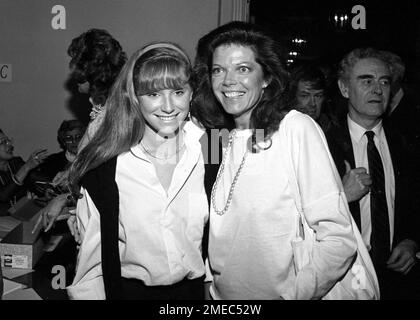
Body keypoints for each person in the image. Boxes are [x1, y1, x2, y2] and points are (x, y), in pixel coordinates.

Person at [191, 21, 361, 300]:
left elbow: (338, 240)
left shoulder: (295, 128)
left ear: (267, 77)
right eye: (218, 70)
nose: (228, 81)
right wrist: (210, 283)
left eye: (243, 69)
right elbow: (212, 219)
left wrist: (295, 295)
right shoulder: (217, 138)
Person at [65, 42, 209, 300]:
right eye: (153, 94)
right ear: (134, 98)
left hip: (195, 294)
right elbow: (90, 269)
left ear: (191, 93)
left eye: (177, 91)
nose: (168, 106)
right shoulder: (105, 172)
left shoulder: (208, 153)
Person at [325, 47, 420, 299]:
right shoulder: (322, 145)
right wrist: (342, 197)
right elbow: (296, 214)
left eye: (384, 82)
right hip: (342, 279)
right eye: (366, 80)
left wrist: (411, 241)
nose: (377, 89)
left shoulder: (407, 144)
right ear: (344, 89)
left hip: (398, 279)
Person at [38, 29, 127, 232]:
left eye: (78, 65)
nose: (74, 72)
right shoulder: (102, 110)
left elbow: (108, 180)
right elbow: (94, 157)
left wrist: (65, 197)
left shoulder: (115, 117)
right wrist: (71, 171)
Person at [0, 129, 48, 212]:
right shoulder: (23, 167)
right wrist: (26, 167)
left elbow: (37, 179)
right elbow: (3, 196)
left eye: (8, 140)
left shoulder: (16, 162)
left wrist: (48, 190)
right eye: (2, 142)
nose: (9, 144)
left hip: (21, 217)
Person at [288, 63, 337, 132]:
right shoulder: (281, 130)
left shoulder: (331, 131)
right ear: (292, 97)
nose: (312, 103)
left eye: (318, 96)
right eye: (304, 96)